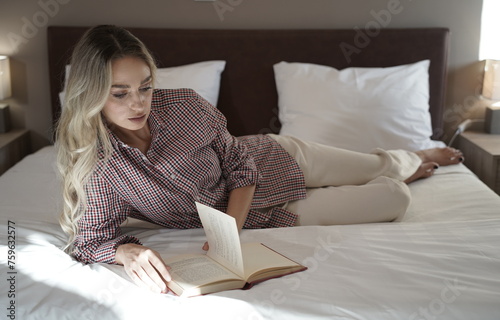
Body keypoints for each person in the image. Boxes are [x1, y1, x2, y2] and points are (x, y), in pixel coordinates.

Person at [55, 25, 464, 294]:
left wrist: (226, 230)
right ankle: (401, 173)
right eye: (120, 93)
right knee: (395, 198)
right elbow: (91, 239)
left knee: (378, 165)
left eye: (144, 87)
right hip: (270, 213)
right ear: (91, 94)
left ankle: (412, 155)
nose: (138, 102)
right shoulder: (97, 164)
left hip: (278, 158)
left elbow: (240, 166)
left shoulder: (183, 105)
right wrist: (126, 252)